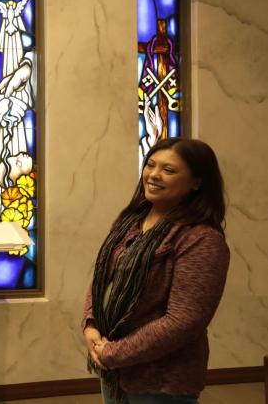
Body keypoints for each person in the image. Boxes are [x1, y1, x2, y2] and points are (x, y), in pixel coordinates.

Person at [81, 138, 230, 404]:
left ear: (196, 182)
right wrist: (91, 324)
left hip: (161, 379)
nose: (153, 175)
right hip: (112, 366)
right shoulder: (129, 221)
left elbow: (184, 321)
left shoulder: (201, 238)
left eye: (169, 170)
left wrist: (114, 352)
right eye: (150, 165)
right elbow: (103, 279)